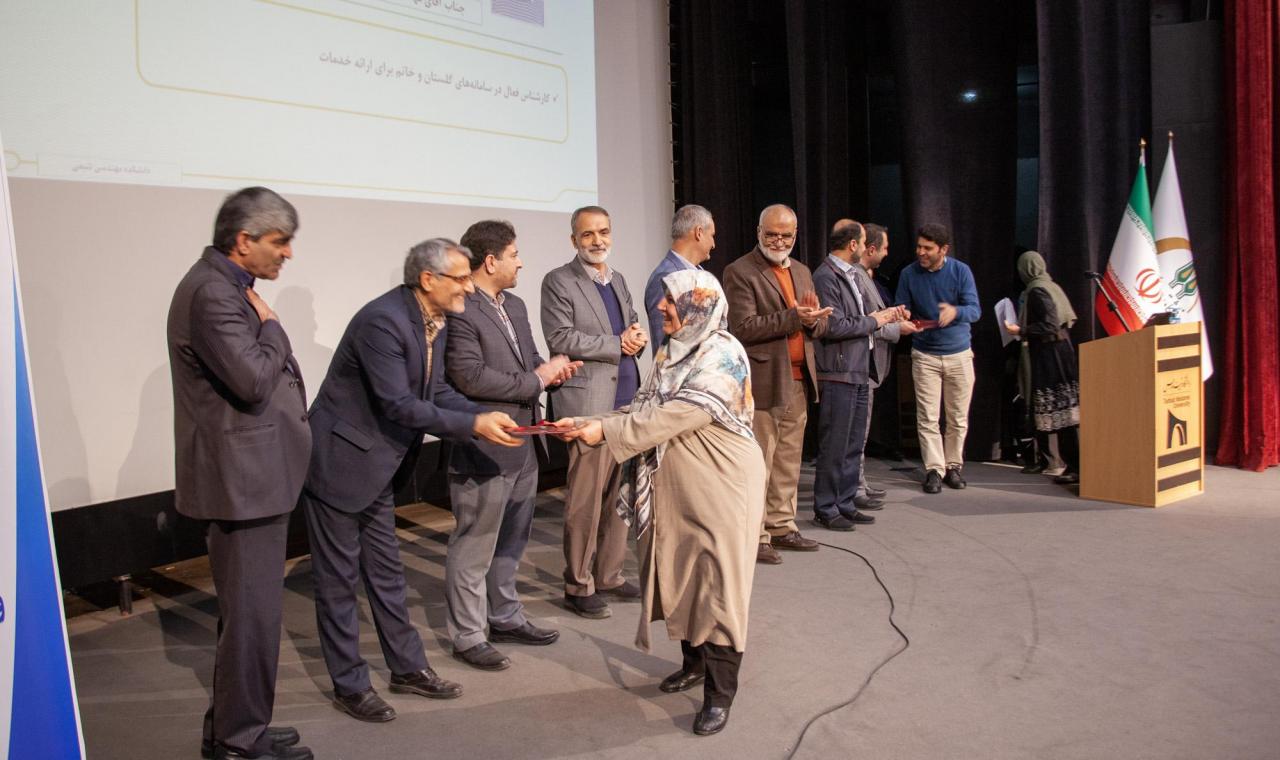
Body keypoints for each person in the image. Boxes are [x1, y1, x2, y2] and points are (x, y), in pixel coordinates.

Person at [301, 238, 522, 723]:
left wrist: (482, 415)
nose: (469, 287)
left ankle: (407, 668)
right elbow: (398, 404)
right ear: (428, 279)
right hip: (340, 464)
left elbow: (436, 390)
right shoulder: (382, 321)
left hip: (377, 468)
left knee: (387, 575)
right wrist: (473, 424)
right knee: (338, 584)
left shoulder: (436, 320)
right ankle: (351, 684)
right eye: (460, 278)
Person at [556, 270, 764, 737]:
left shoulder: (722, 352)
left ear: (698, 305)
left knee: (718, 584)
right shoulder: (674, 351)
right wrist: (590, 421)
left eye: (671, 301)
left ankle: (719, 695)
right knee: (680, 572)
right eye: (665, 300)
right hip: (676, 486)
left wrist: (604, 431)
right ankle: (694, 664)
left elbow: (677, 415)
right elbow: (645, 409)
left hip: (721, 487)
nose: (661, 307)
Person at [167, 187, 313, 760]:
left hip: (251, 478)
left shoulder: (227, 287)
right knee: (252, 618)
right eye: (280, 242)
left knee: (247, 616)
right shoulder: (213, 292)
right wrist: (273, 326)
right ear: (244, 240)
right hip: (243, 484)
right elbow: (251, 380)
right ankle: (239, 742)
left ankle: (234, 726)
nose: (288, 253)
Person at [444, 220, 581, 671]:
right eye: (514, 254)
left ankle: (504, 616)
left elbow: (530, 361)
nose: (520, 262)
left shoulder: (516, 306)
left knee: (512, 539)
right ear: (491, 261)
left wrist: (554, 370)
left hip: (525, 442)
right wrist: (537, 379)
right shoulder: (460, 308)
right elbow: (470, 377)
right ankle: (467, 635)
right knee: (474, 544)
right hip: (485, 446)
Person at [540, 205, 647, 618]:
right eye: (587, 234)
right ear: (574, 240)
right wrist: (617, 343)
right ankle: (578, 584)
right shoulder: (558, 281)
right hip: (588, 405)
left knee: (621, 495)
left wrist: (636, 335)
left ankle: (609, 575)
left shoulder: (617, 279)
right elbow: (560, 338)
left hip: (627, 401)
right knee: (585, 502)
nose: (597, 240)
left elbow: (630, 323)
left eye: (603, 232)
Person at [723, 203, 830, 564]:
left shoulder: (801, 270)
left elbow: (816, 325)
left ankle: (782, 525)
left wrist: (814, 321)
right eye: (771, 234)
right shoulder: (740, 270)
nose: (778, 241)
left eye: (785, 235)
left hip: (799, 380)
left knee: (788, 461)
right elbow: (742, 328)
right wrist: (793, 317)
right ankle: (755, 535)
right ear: (759, 232)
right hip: (763, 381)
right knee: (759, 463)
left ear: (795, 235)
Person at [812, 221, 906, 530]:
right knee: (835, 445)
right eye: (864, 242)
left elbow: (862, 318)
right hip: (838, 370)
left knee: (853, 444)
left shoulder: (853, 274)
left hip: (859, 368)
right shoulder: (826, 276)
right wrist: (875, 321)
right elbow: (835, 325)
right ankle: (827, 507)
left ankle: (846, 502)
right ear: (853, 244)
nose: (866, 248)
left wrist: (886, 316)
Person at [894, 223, 981, 494]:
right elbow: (902, 307)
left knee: (957, 417)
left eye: (927, 248)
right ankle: (934, 469)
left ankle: (953, 466)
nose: (921, 252)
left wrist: (955, 312)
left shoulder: (960, 271)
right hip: (925, 355)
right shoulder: (909, 274)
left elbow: (975, 310)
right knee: (928, 417)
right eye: (919, 246)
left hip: (959, 354)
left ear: (943, 250)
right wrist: (904, 316)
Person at [1003, 250, 1081, 484]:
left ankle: (1074, 466)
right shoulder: (1051, 286)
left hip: (1051, 354)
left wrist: (1021, 330)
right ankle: (1051, 460)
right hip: (1059, 351)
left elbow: (1049, 325)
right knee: (1053, 408)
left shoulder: (1038, 291)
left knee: (1061, 411)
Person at [643, 204, 715, 352]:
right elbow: (664, 344)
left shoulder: (702, 275)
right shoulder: (666, 278)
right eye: (712, 235)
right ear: (699, 233)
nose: (713, 244)